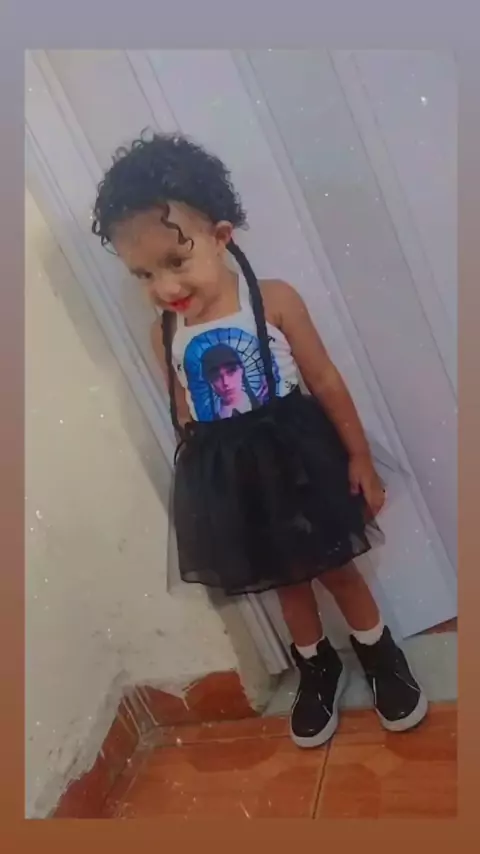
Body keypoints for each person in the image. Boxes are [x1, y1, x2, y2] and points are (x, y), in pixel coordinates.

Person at [92, 132, 427, 748]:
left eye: (176, 261)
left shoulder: (272, 301)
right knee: (285, 584)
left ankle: (379, 653)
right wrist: (209, 496)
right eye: (143, 274)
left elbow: (325, 380)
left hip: (299, 460)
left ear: (221, 237)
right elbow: (186, 413)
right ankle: (316, 666)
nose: (164, 287)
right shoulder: (163, 334)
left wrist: (359, 456)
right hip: (234, 479)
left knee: (338, 570)